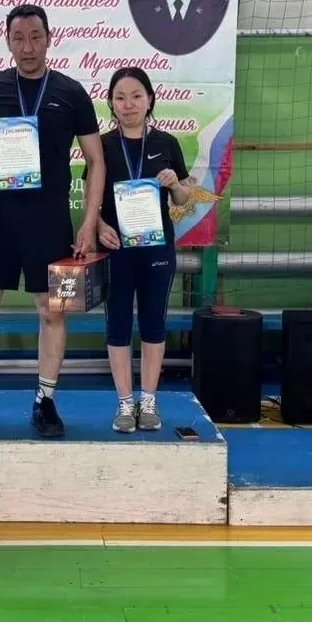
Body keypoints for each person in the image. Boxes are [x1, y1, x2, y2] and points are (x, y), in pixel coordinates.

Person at [0, 4, 105, 438]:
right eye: (19, 38)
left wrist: (89, 222)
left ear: (49, 38)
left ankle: (46, 401)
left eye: (36, 36)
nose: (28, 46)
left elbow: (96, 161)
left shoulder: (71, 92)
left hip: (50, 218)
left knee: (52, 311)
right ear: (8, 42)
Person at [89, 67, 192, 432]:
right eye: (120, 97)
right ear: (111, 103)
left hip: (156, 249)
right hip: (116, 249)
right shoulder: (102, 145)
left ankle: (148, 401)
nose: (128, 104)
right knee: (117, 323)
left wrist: (175, 184)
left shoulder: (167, 143)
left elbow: (183, 199)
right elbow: (92, 198)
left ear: (150, 100)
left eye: (136, 96)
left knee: (153, 323)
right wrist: (99, 226)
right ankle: (123, 402)